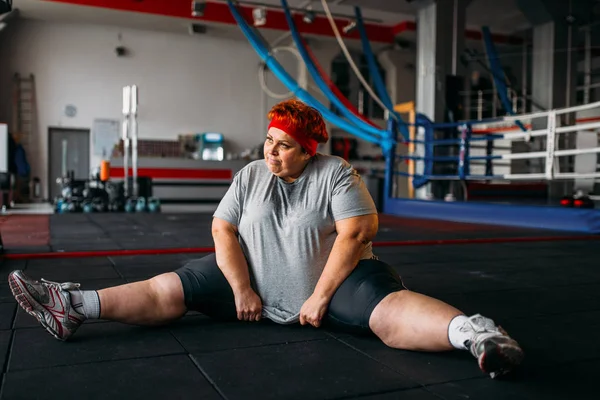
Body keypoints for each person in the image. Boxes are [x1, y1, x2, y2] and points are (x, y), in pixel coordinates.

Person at [8, 99, 523, 379]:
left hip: (333, 282)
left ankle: (476, 335)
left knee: (388, 316)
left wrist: (321, 297)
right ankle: (73, 306)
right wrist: (240, 289)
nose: (270, 152)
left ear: (308, 151)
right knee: (172, 287)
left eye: (283, 146)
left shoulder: (337, 174)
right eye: (269, 140)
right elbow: (222, 228)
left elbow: (358, 232)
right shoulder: (253, 173)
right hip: (251, 276)